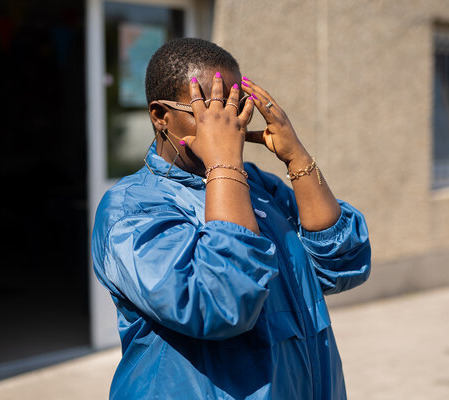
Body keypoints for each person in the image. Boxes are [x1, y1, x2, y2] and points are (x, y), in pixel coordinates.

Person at [92, 38, 371, 400]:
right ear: (161, 116)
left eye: (236, 109)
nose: (227, 124)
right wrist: (224, 163)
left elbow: (340, 263)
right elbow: (219, 302)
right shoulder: (130, 208)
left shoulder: (257, 185)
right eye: (209, 110)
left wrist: (297, 158)